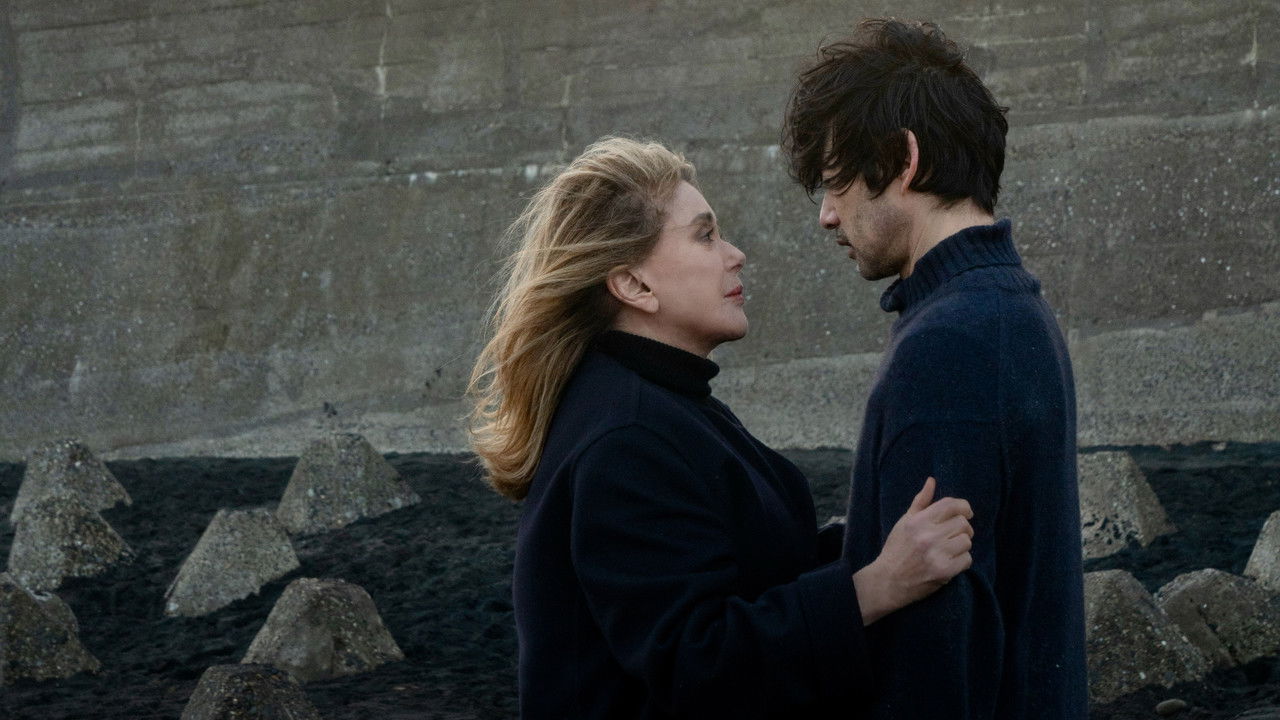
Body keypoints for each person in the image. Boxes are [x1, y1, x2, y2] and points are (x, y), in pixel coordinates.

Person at [467, 137, 976, 718]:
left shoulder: (661, 403)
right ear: (633, 285)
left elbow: (750, 569)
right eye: (705, 235)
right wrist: (876, 587)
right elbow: (695, 664)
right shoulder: (626, 440)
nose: (735, 254)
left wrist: (871, 535)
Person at [782, 18, 1088, 718]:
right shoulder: (1014, 309)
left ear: (902, 159)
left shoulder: (950, 344)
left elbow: (934, 644)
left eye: (835, 183)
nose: (827, 216)